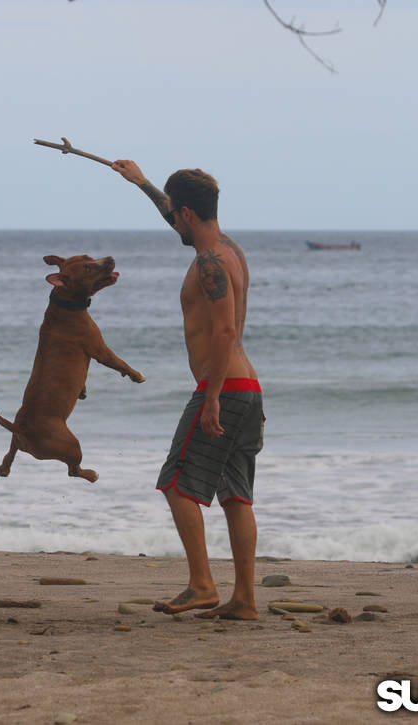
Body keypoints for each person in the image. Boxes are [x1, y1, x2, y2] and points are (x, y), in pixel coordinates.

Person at [112, 159, 264, 621]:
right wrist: (142, 184)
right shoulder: (229, 250)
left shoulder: (210, 263)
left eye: (175, 215)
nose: (173, 222)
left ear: (188, 215)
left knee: (175, 484)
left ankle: (202, 585)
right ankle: (244, 600)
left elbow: (221, 333)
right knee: (235, 494)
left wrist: (212, 397)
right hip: (249, 387)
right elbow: (175, 217)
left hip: (225, 386)